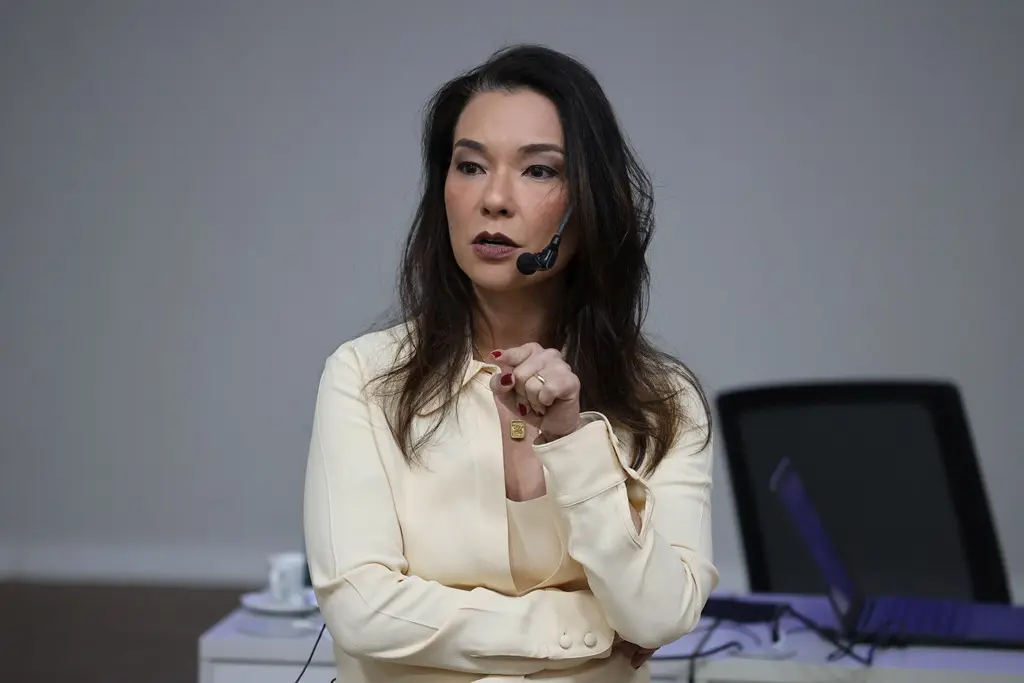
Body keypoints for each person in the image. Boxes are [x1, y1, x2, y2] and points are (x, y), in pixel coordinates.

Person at [303, 44, 718, 683]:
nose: (494, 199)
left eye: (539, 171)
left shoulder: (664, 400)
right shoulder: (366, 376)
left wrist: (576, 445)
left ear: (589, 203)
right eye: (469, 166)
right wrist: (588, 631)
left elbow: (660, 615)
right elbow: (362, 611)